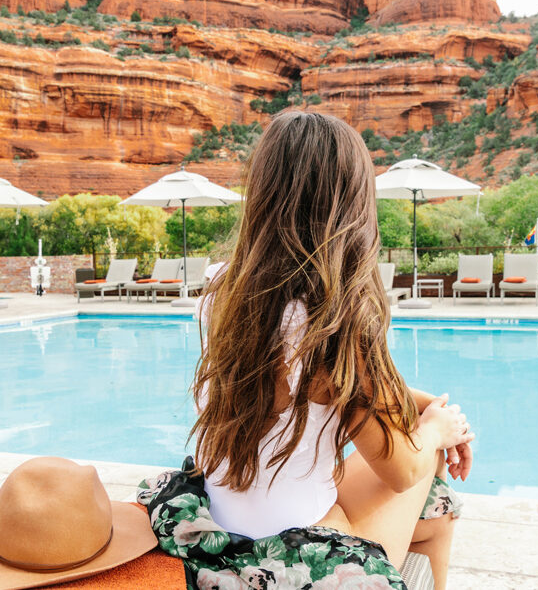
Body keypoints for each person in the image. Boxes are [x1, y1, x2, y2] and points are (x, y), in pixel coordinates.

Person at [138, 111, 474, 590]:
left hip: (217, 527)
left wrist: (430, 406)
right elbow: (402, 472)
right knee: (430, 467)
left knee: (435, 516)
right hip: (292, 556)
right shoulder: (333, 320)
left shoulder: (220, 289)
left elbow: (360, 390)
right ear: (351, 204)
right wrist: (441, 430)